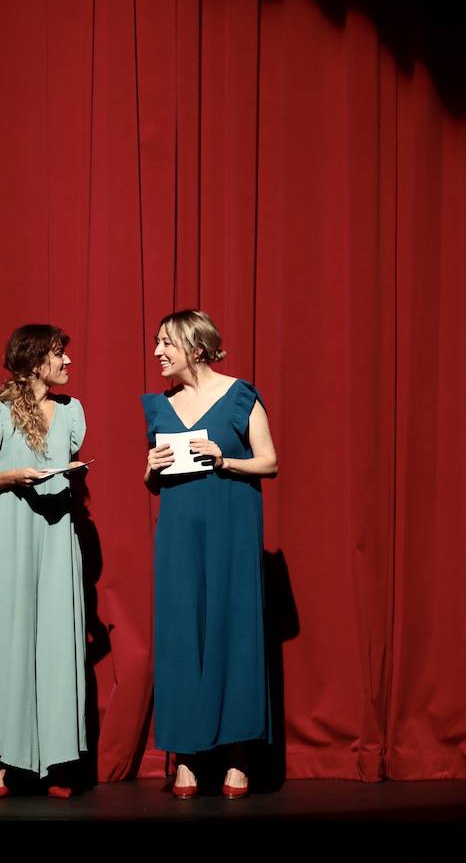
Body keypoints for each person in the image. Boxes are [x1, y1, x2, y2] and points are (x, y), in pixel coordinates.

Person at [142, 310, 278, 799]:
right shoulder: (160, 406)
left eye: (166, 343)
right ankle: (190, 755)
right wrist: (151, 467)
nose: (157, 352)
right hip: (179, 529)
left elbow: (269, 461)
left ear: (196, 348)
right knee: (183, 633)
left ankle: (238, 757)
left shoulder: (241, 395)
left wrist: (224, 458)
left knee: (234, 629)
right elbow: (153, 482)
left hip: (232, 525)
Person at [0, 324, 87, 798]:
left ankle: (57, 763)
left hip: (55, 535)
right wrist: (14, 475)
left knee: (56, 645)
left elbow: (62, 458)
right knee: (5, 644)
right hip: (6, 537)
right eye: (60, 355)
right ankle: (0, 763)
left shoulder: (72, 411)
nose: (68, 363)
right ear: (36, 360)